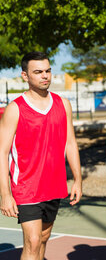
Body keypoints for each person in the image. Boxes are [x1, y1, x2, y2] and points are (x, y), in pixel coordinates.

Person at [0, 51, 82, 260]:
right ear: (25, 76)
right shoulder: (15, 109)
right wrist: (5, 194)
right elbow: (2, 152)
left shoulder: (63, 104)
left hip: (54, 185)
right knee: (33, 241)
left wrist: (78, 180)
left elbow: (70, 143)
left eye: (47, 71)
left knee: (43, 238)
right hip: (26, 187)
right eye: (38, 72)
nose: (45, 76)